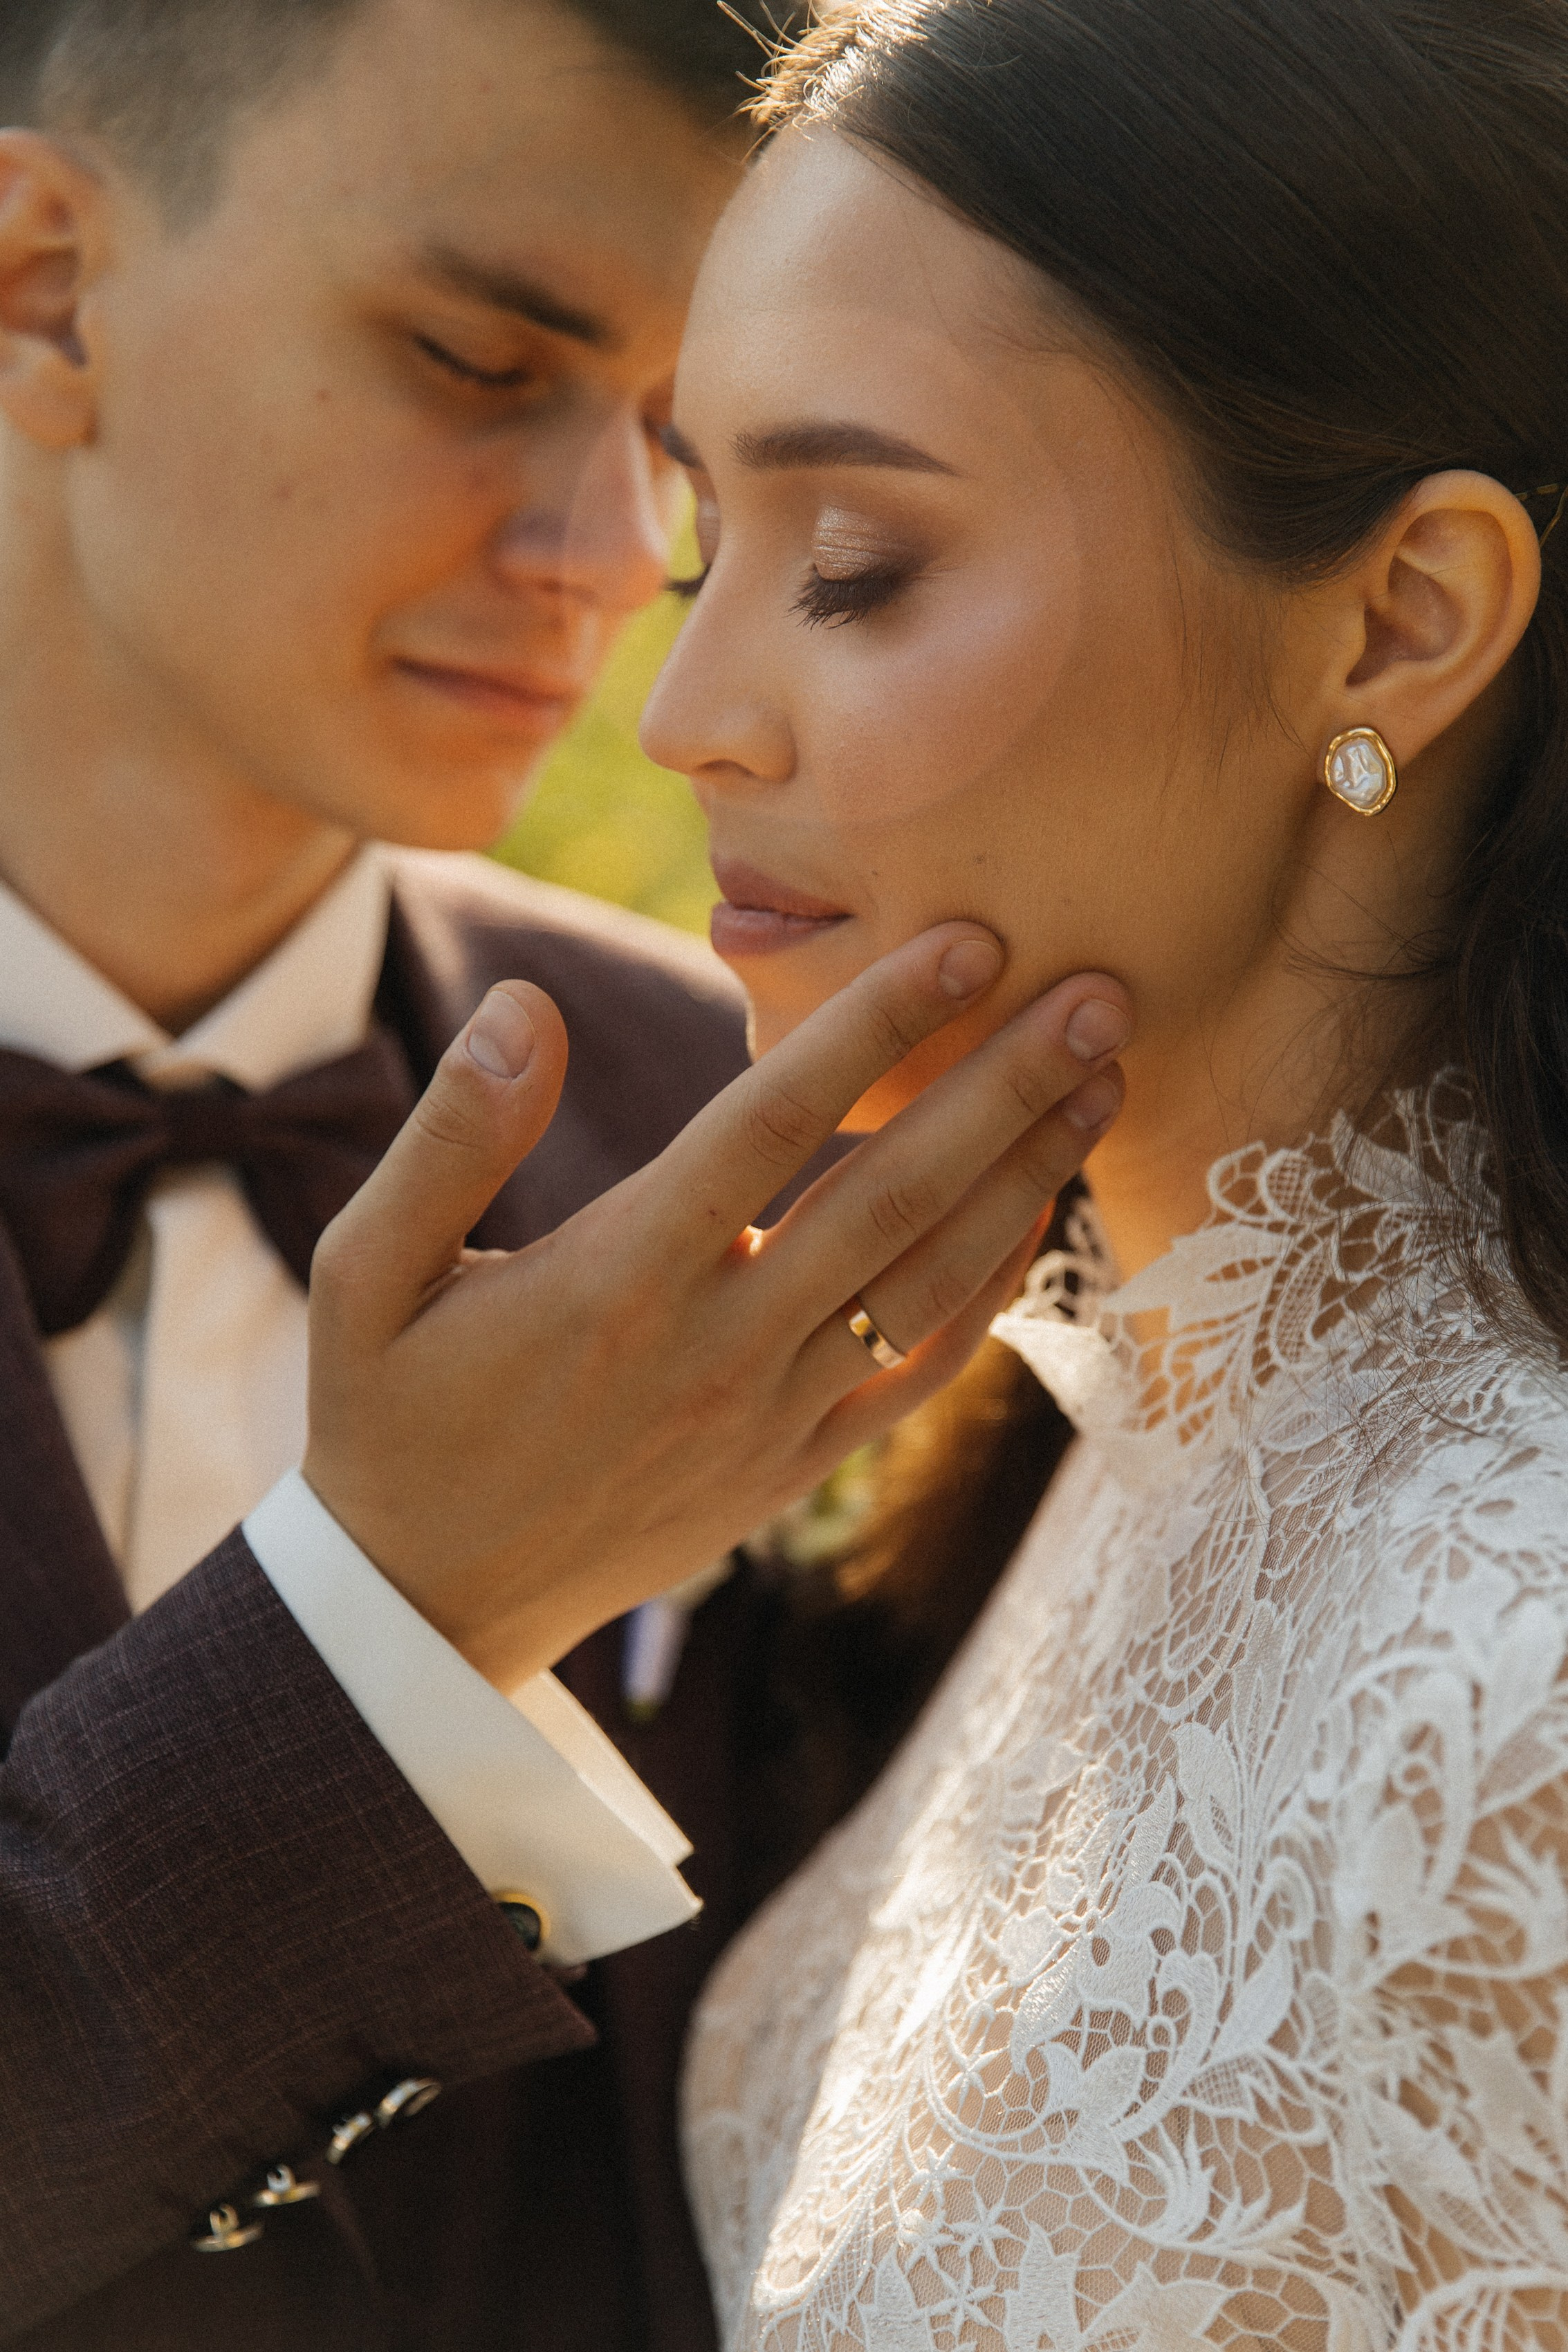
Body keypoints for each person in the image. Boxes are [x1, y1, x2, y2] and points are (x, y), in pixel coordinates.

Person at [0, 0, 1136, 2342]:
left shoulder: (770, 1121)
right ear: (46, 282)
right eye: (476, 360)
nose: (614, 559)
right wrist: (388, 1623)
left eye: (675, 449)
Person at [642, 0, 1568, 2342]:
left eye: (853, 562)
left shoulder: (1516, 1667)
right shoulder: (1106, 1435)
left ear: (1397, 622)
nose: (683, 716)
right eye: (695, 548)